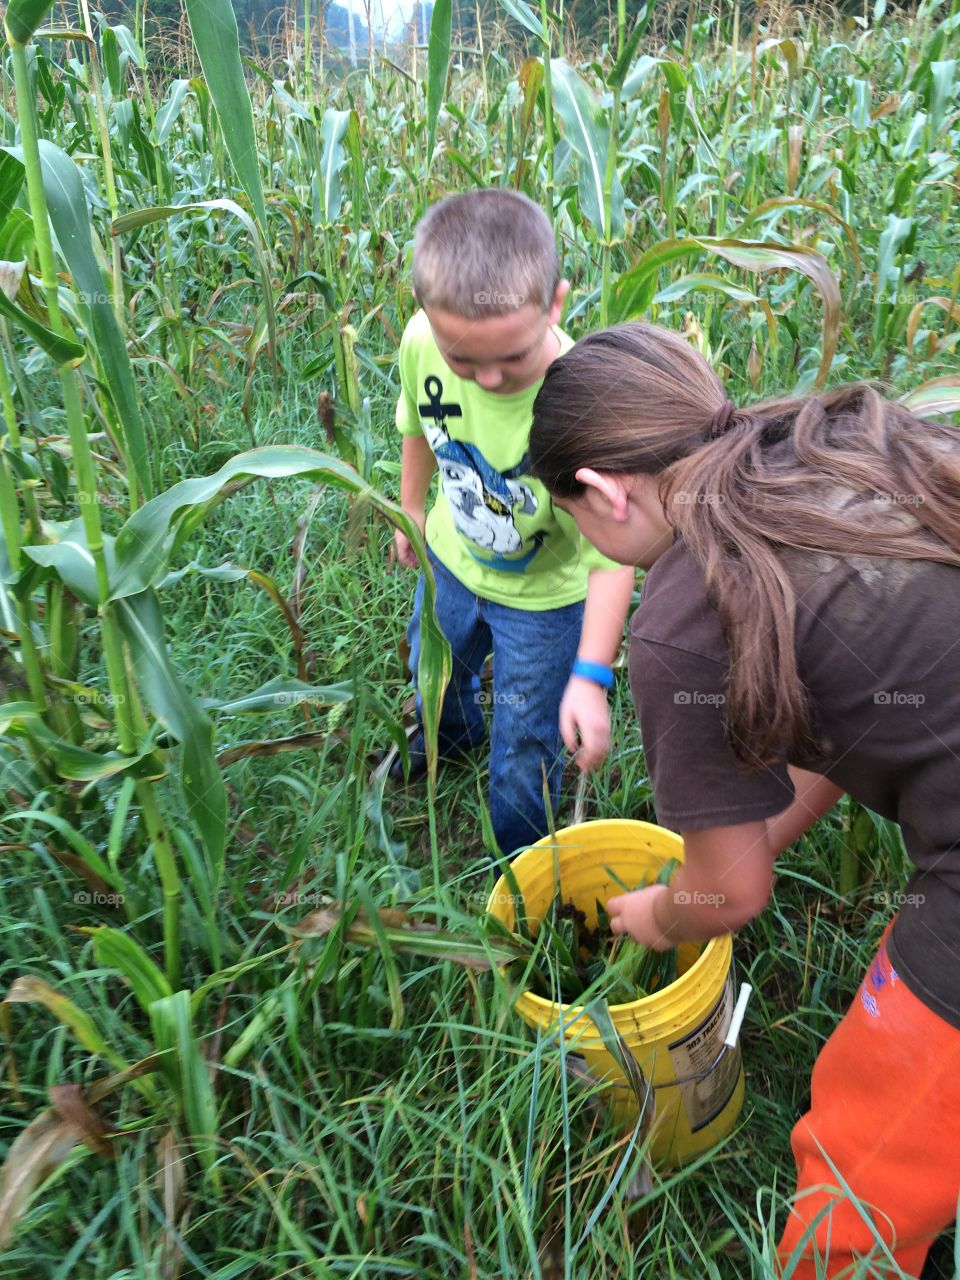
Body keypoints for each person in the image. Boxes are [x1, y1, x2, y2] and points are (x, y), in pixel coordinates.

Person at [526, 320, 960, 1279]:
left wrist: (658, 909)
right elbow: (857, 703)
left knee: (861, 1174)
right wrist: (745, 841)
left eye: (574, 522)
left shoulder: (684, 624)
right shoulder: (813, 448)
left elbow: (731, 900)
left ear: (602, 490)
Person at [390, 190, 635, 856]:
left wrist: (592, 674)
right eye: (463, 361)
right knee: (431, 670)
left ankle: (522, 860)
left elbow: (612, 554)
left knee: (528, 735)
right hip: (449, 560)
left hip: (545, 603)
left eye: (514, 358)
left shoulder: (583, 406)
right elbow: (418, 423)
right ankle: (451, 737)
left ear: (556, 303)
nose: (489, 379)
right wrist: (412, 507)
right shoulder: (421, 343)